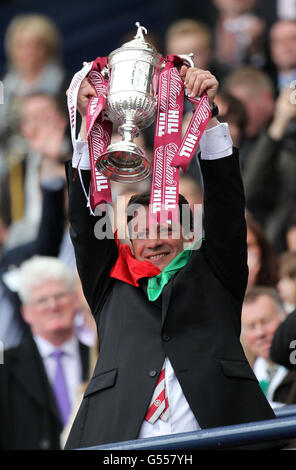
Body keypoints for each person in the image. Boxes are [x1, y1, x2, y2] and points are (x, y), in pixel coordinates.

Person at [63, 65, 278, 450]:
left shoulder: (215, 271)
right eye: (140, 231)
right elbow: (84, 220)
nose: (152, 240)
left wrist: (206, 118)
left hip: (222, 436)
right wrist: (88, 128)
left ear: (190, 233)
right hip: (120, 445)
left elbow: (227, 206)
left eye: (164, 227)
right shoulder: (108, 283)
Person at [0, 256, 90, 450]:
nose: (53, 306)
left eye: (60, 296)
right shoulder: (5, 367)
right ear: (26, 312)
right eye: (41, 300)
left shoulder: (99, 353)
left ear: (76, 300)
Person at [241, 287, 296, 407]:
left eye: (266, 321)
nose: (260, 333)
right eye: (251, 326)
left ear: (286, 318)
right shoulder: (242, 380)